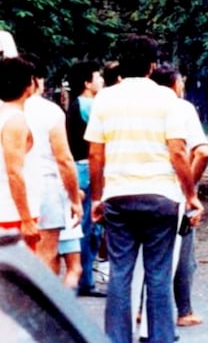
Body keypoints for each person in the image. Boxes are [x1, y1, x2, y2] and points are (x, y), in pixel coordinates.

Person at [85, 34, 204, 343]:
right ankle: (161, 338)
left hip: (118, 198)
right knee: (159, 275)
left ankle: (116, 338)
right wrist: (190, 196)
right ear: (153, 66)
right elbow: (178, 151)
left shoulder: (105, 99)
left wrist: (97, 198)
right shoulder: (168, 100)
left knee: (120, 273)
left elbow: (96, 154)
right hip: (161, 198)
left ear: (121, 65)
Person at [151, 64, 208, 328]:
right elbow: (202, 153)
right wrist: (191, 186)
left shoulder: (139, 107)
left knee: (148, 255)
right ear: (174, 85)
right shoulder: (181, 108)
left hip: (139, 187)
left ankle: (143, 312)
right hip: (175, 188)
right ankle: (183, 311)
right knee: (183, 254)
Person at [24, 58, 83, 279]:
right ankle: (39, 310)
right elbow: (65, 160)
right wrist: (74, 200)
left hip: (9, 188)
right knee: (47, 255)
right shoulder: (50, 111)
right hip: (46, 187)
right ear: (36, 81)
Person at [66, 60, 106, 297]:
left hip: (78, 169)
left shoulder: (75, 104)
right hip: (87, 170)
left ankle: (85, 278)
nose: (100, 81)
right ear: (86, 83)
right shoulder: (89, 104)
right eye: (97, 77)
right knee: (89, 226)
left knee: (87, 226)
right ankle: (84, 280)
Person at [0, 57, 41, 250]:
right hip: (11, 213)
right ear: (29, 85)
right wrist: (26, 219)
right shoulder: (15, 120)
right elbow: (14, 172)